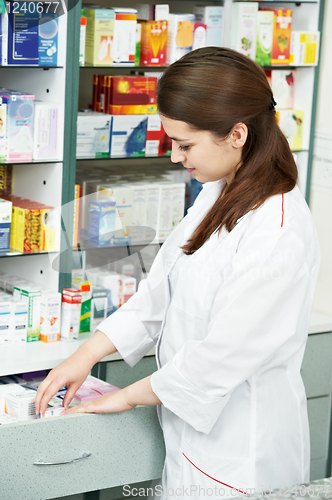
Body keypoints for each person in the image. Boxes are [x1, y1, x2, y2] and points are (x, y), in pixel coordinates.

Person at [35, 47, 320, 499]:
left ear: (237, 134)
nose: (174, 157)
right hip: (191, 441)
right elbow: (162, 290)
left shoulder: (278, 231)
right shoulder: (216, 194)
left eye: (185, 145)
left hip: (243, 452)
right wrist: (86, 354)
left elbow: (220, 358)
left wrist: (126, 396)